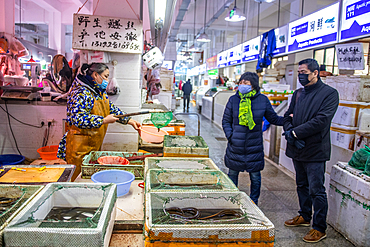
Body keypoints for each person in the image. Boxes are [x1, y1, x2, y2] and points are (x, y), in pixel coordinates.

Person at [283, 58, 339, 243]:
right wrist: (289, 131)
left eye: (304, 73)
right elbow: (287, 115)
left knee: (316, 189)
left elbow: (321, 120)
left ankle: (319, 227)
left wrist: (295, 133)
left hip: (315, 149)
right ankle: (305, 216)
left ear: (315, 73)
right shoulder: (298, 93)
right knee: (301, 185)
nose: (301, 76)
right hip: (297, 149)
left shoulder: (329, 94)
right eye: (299, 73)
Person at [57, 63, 141, 181]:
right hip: (79, 147)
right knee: (77, 179)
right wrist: (103, 120)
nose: (107, 80)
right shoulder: (81, 93)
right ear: (96, 75)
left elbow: (111, 108)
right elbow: (78, 118)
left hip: (93, 144)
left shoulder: (98, 91)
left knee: (89, 177)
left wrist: (130, 121)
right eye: (105, 76)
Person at [222, 72, 283, 205]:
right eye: (241, 83)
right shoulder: (234, 100)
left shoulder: (262, 100)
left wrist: (290, 120)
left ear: (253, 85)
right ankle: (231, 200)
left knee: (255, 176)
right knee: (232, 174)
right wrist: (231, 136)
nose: (242, 85)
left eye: (246, 83)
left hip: (254, 145)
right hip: (235, 145)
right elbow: (226, 121)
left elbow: (273, 118)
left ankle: (253, 201)